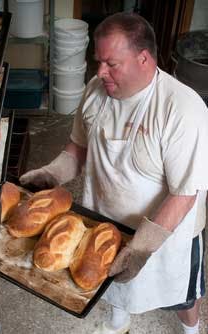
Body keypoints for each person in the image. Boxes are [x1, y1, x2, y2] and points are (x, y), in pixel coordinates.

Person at [19, 12, 208, 334]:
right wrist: (52, 173)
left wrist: (141, 248)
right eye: (98, 62)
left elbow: (184, 195)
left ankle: (192, 331)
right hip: (107, 218)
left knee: (182, 298)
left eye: (111, 64)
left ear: (143, 59)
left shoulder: (182, 110)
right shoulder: (96, 90)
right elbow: (78, 148)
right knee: (112, 283)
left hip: (166, 232)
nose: (100, 72)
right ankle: (118, 323)